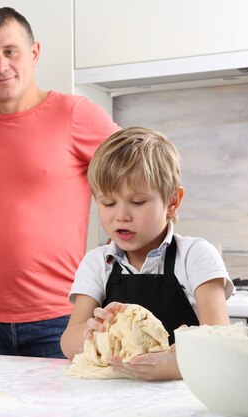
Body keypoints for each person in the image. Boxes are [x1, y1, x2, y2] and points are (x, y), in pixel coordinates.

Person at [0, 7, 120, 358]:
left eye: (10, 51)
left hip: (59, 318)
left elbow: (134, 170)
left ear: (34, 53)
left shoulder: (75, 113)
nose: (0, 65)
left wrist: (119, 249)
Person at [60, 126, 234, 380]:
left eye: (137, 202)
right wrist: (94, 332)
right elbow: (68, 343)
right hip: (114, 399)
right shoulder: (98, 263)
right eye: (108, 203)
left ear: (172, 202)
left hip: (185, 394)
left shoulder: (195, 256)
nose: (121, 215)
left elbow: (220, 340)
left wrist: (178, 363)